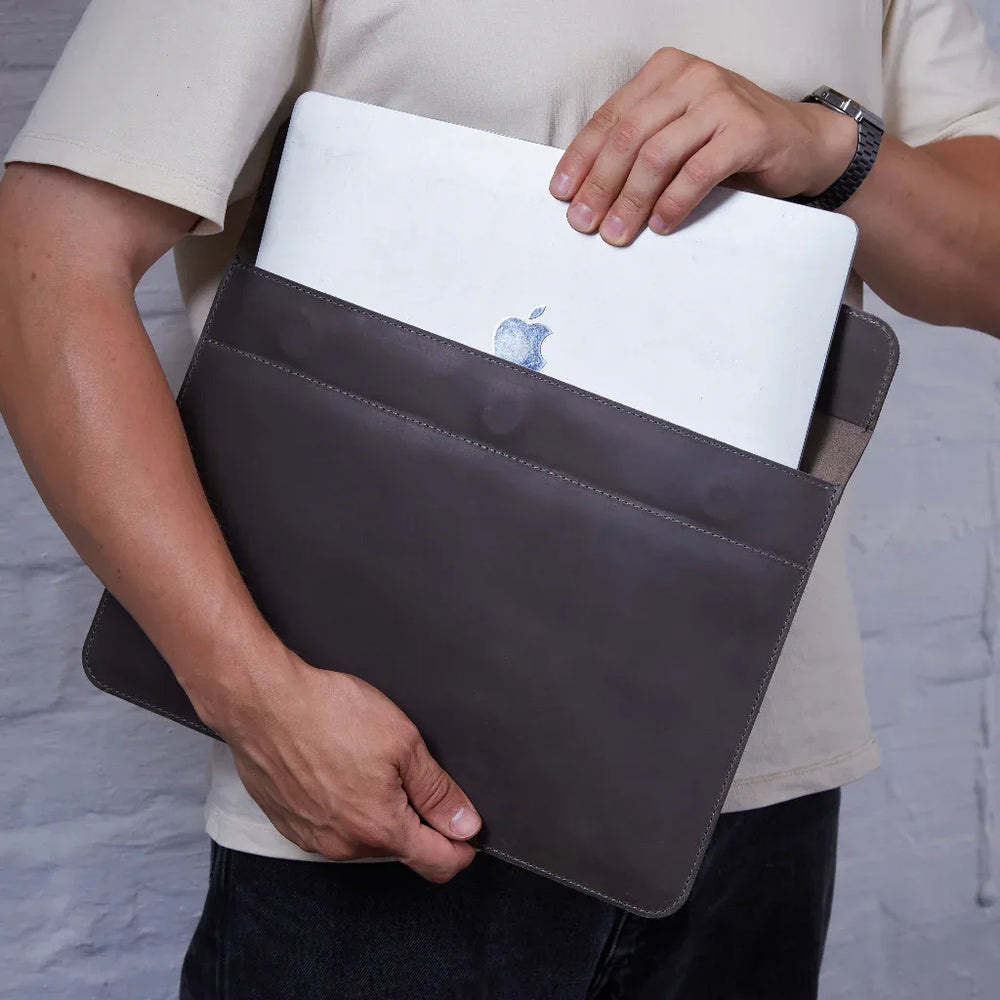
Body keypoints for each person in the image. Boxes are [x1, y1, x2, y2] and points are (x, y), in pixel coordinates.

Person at [1, 1, 999, 996]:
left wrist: (833, 148)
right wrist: (258, 701)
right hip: (394, 797)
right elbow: (43, 264)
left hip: (759, 799)